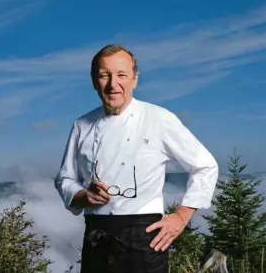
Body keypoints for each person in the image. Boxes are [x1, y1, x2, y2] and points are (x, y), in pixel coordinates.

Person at [54, 44, 219, 273]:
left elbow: (205, 166)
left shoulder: (159, 119)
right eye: (104, 75)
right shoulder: (81, 125)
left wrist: (181, 217)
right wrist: (83, 195)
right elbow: (64, 178)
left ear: (135, 79)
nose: (113, 84)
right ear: (94, 82)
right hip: (96, 237)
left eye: (122, 75)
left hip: (147, 239)